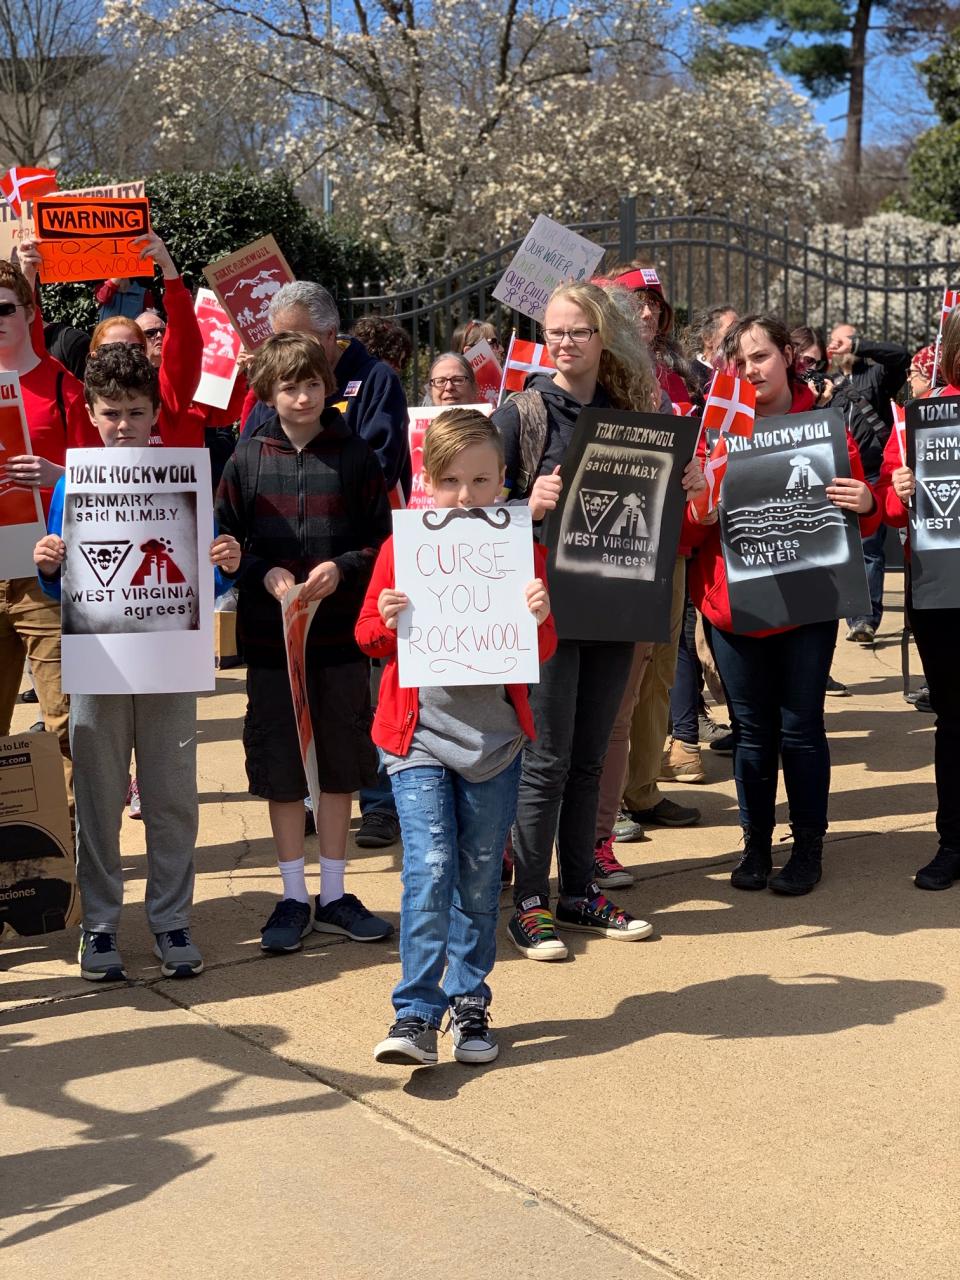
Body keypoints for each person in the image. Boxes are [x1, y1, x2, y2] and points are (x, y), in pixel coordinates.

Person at [492, 280, 701, 958]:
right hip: (545, 609)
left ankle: (580, 891)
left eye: (578, 330)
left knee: (588, 757)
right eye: (554, 329)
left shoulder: (629, 414)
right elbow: (475, 517)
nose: (564, 341)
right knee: (546, 760)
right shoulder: (519, 413)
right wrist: (530, 502)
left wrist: (688, 479)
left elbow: (657, 509)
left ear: (603, 335)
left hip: (615, 601)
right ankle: (530, 902)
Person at [357, 408, 557, 1065]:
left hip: (493, 743)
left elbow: (541, 651)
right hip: (415, 737)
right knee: (430, 866)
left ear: (505, 480)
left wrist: (539, 615)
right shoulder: (402, 547)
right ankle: (415, 1012)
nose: (466, 497)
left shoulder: (520, 549)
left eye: (481, 480)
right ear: (427, 480)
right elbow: (367, 637)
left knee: (476, 880)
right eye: (450, 481)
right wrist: (387, 619)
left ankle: (470, 1006)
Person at [33, 345, 237, 980]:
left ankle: (172, 921)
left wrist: (224, 563)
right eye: (112, 413)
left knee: (172, 794)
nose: (124, 424)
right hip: (98, 660)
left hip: (168, 658)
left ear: (156, 415)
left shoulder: (187, 477)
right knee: (96, 796)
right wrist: (48, 564)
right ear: (92, 415)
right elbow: (57, 587)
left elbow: (209, 580)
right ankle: (99, 929)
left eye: (136, 412)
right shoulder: (74, 482)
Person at [686, 315, 879, 895]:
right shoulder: (713, 431)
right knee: (751, 733)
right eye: (740, 361)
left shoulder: (823, 426)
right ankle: (754, 847)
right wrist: (701, 504)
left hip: (808, 602)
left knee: (801, 729)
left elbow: (862, 512)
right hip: (734, 606)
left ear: (787, 357)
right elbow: (688, 534)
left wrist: (865, 499)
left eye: (762, 356)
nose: (752, 369)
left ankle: (809, 848)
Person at [215, 332, 394, 952]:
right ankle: (292, 894)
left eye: (313, 384)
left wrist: (341, 568)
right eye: (290, 386)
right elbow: (228, 543)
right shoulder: (245, 459)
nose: (303, 396)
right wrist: (256, 568)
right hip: (271, 644)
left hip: (340, 638)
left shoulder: (356, 456)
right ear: (268, 392)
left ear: (328, 388)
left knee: (339, 765)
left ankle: (336, 890)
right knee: (285, 770)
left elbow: (381, 541)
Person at [240, 280, 412, 850]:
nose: (283, 349)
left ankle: (379, 803)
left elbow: (381, 465)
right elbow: (239, 500)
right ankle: (306, 798)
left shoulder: (376, 379)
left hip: (351, 577)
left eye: (293, 338)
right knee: (292, 704)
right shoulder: (261, 420)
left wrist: (327, 463)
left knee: (356, 698)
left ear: (329, 337)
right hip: (283, 591)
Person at [0, 259, 96, 802]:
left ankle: (67, 861)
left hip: (47, 573)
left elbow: (104, 478)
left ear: (29, 313)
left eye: (5, 308)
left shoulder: (64, 387)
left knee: (64, 723)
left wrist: (56, 474)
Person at [876, 307, 960, 890]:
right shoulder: (922, 417)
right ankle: (953, 841)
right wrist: (900, 492)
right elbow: (885, 502)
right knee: (955, 720)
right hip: (944, 588)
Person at [793, 324, 888, 646]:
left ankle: (863, 616)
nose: (810, 372)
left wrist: (859, 344)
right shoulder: (771, 399)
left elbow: (901, 358)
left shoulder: (865, 379)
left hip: (862, 474)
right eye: (803, 363)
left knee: (868, 548)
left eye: (816, 364)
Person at [86, 232, 204, 448]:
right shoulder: (82, 402)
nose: (123, 357)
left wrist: (168, 268)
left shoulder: (163, 398)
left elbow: (185, 346)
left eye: (134, 348)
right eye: (112, 349)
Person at [826, 322, 909, 431]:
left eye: (847, 340)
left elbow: (902, 356)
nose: (842, 346)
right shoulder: (828, 383)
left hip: (876, 447)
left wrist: (856, 346)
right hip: (843, 448)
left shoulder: (877, 373)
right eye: (836, 341)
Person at [688, 304, 739, 393]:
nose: (740, 336)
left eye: (741, 329)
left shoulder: (742, 370)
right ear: (708, 338)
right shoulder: (692, 376)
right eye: (732, 330)